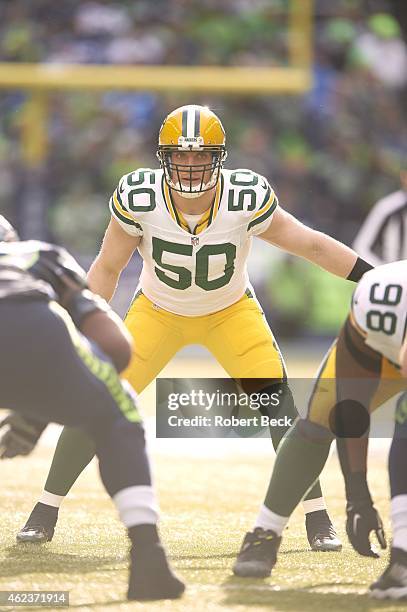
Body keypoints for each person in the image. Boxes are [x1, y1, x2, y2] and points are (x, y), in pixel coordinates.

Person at [18, 104, 372, 552]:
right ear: (164, 157)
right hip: (157, 312)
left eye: (200, 156)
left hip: (230, 311)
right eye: (180, 156)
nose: (189, 165)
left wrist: (374, 276)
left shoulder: (243, 197)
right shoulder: (140, 197)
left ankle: (316, 517)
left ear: (218, 157)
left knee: (280, 408)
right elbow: (107, 269)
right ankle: (45, 508)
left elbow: (311, 245)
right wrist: (76, 328)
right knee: (100, 396)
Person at [0, 215, 184, 601]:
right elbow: (116, 348)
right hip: (32, 325)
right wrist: (46, 405)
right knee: (119, 413)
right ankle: (148, 556)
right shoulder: (38, 256)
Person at [233, 261, 406, 594]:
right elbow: (349, 408)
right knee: (318, 419)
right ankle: (265, 532)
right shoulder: (379, 300)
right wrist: (358, 497)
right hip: (383, 348)